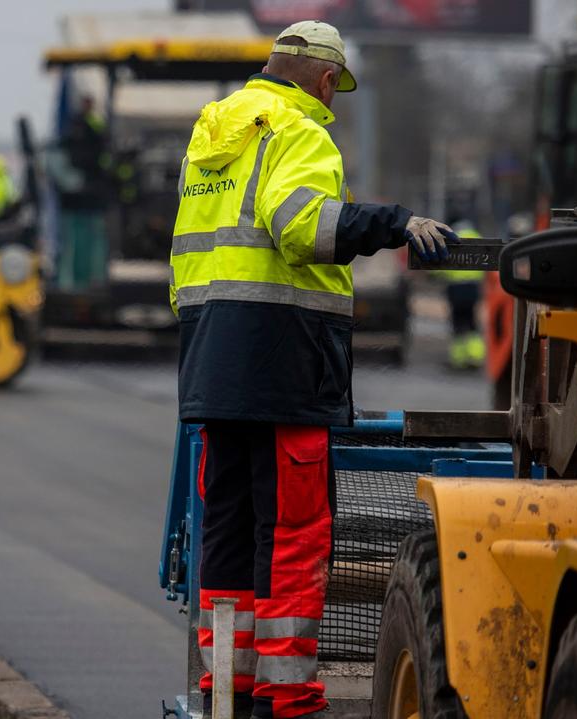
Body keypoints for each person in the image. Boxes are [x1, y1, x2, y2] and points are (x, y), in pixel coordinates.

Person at [168, 21, 456, 718]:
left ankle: (227, 687)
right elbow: (304, 227)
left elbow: (194, 255)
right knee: (293, 533)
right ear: (324, 78)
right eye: (335, 87)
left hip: (213, 365)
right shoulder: (297, 130)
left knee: (229, 536)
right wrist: (392, 222)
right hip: (284, 363)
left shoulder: (214, 131)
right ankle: (287, 694)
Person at [434, 221, 486, 369]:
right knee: (471, 323)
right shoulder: (478, 238)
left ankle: (458, 359)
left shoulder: (451, 239)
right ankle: (475, 356)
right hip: (472, 288)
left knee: (457, 323)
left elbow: (441, 267)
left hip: (456, 289)